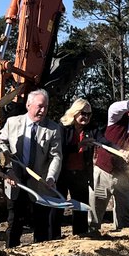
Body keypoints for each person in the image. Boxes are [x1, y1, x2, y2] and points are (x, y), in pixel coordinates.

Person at [0, 89, 63, 246]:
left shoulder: (53, 128)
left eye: (46, 107)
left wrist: (51, 177)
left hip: (40, 184)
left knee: (41, 225)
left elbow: (56, 156)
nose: (43, 110)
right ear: (28, 105)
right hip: (16, 181)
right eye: (40, 106)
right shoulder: (12, 123)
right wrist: (8, 167)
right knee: (14, 224)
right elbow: (0, 142)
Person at [92, 96, 129, 233]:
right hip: (104, 171)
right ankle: (91, 237)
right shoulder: (116, 118)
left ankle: (123, 243)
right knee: (94, 210)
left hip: (127, 177)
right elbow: (114, 107)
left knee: (125, 219)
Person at [54, 98, 95, 238]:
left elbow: (102, 138)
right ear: (75, 113)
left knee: (81, 207)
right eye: (83, 113)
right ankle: (54, 237)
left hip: (80, 173)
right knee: (58, 206)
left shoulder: (90, 129)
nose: (86, 117)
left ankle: (81, 236)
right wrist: (78, 146)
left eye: (89, 114)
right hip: (62, 173)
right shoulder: (62, 127)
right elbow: (59, 149)